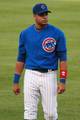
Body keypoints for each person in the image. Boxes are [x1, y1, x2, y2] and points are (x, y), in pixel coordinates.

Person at [13, 3, 67, 120]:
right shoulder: (25, 34)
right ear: (34, 16)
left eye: (46, 14)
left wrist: (62, 80)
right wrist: (16, 81)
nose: (45, 17)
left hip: (49, 75)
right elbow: (20, 58)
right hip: (30, 75)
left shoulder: (57, 33)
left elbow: (63, 59)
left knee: (51, 114)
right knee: (29, 112)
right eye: (41, 14)